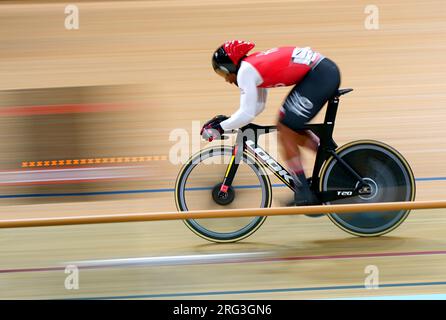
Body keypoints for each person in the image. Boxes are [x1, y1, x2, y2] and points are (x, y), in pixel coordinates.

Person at [201, 40, 341, 206]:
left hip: (320, 75)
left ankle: (303, 190)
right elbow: (257, 107)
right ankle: (332, 162)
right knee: (290, 126)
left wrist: (220, 127)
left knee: (286, 128)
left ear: (230, 66)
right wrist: (228, 122)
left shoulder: (245, 71)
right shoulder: (251, 67)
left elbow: (247, 113)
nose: (226, 80)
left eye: (223, 73)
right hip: (322, 72)